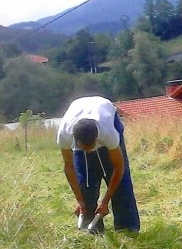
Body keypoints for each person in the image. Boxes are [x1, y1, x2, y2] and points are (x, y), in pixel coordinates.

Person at [56, 96, 140, 234]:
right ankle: (93, 231)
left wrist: (105, 201)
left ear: (97, 138)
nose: (89, 152)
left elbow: (119, 167)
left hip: (106, 112)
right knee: (85, 183)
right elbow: (69, 168)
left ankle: (127, 229)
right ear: (75, 141)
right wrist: (80, 201)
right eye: (85, 149)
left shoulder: (108, 133)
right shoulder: (64, 134)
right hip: (78, 111)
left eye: (91, 147)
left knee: (121, 186)